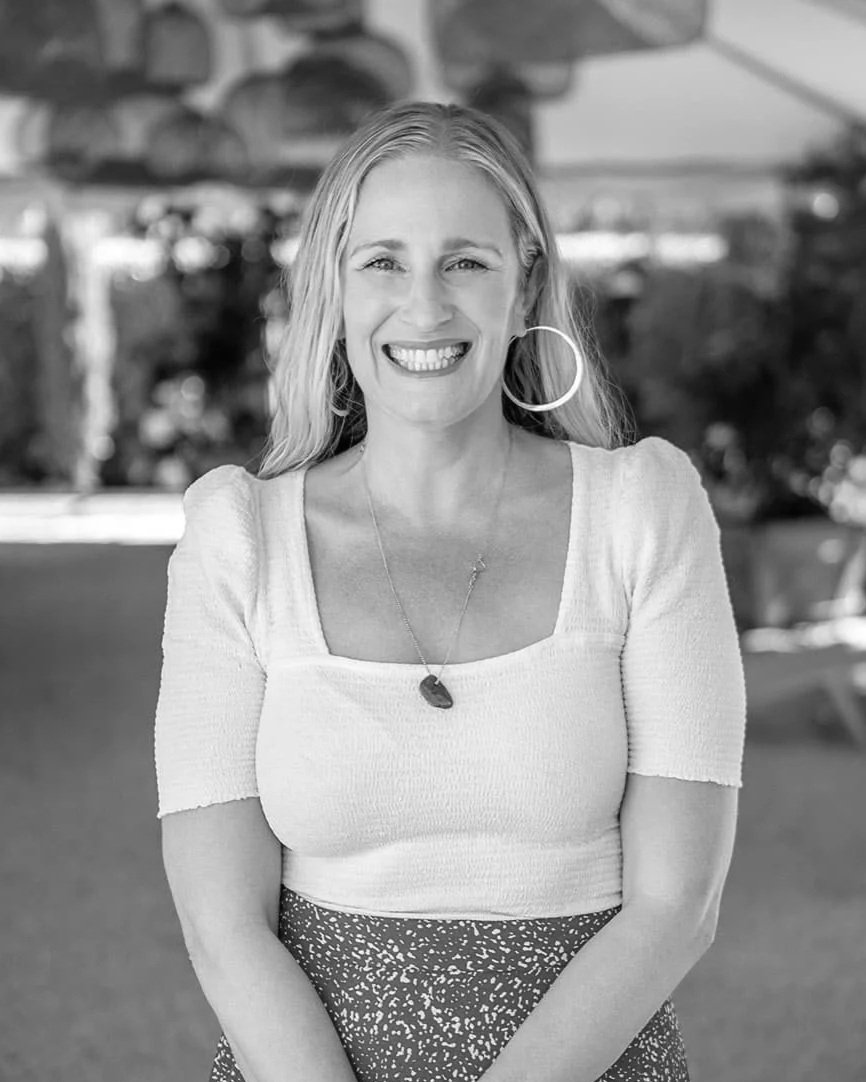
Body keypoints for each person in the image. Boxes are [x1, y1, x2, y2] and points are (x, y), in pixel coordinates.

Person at [154, 100, 747, 1082]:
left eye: (464, 261)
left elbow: (675, 903)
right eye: (382, 261)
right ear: (332, 291)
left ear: (525, 287)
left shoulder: (643, 507)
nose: (423, 307)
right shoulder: (236, 537)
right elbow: (220, 924)